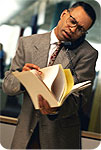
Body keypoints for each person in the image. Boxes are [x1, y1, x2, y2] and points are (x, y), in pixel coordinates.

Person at [2, 1, 98, 149]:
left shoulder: (88, 54)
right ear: (64, 14)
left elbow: (80, 99)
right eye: (72, 21)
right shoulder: (27, 42)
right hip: (26, 133)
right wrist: (23, 78)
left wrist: (56, 109)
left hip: (60, 137)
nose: (73, 29)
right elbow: (7, 86)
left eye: (80, 29)